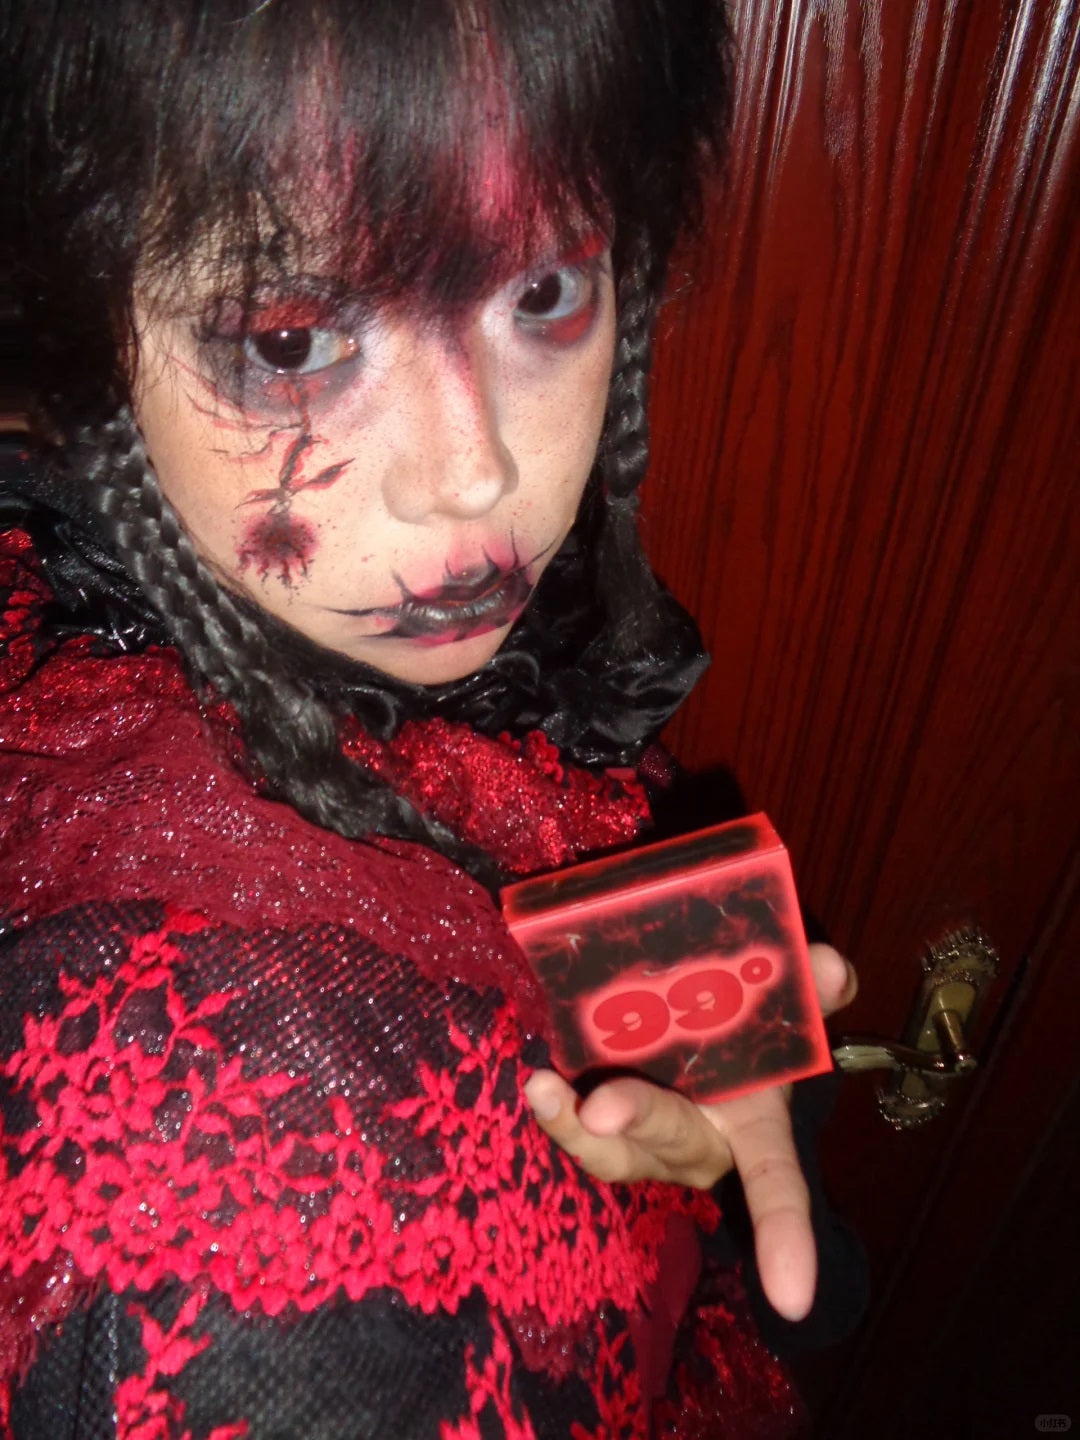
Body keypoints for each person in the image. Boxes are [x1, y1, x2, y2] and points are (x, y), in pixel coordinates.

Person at [0, 1, 865, 1434]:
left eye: (544, 293)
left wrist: (739, 1116)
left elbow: (525, 863)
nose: (476, 473)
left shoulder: (336, 634)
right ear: (77, 329)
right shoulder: (227, 1202)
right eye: (290, 341)